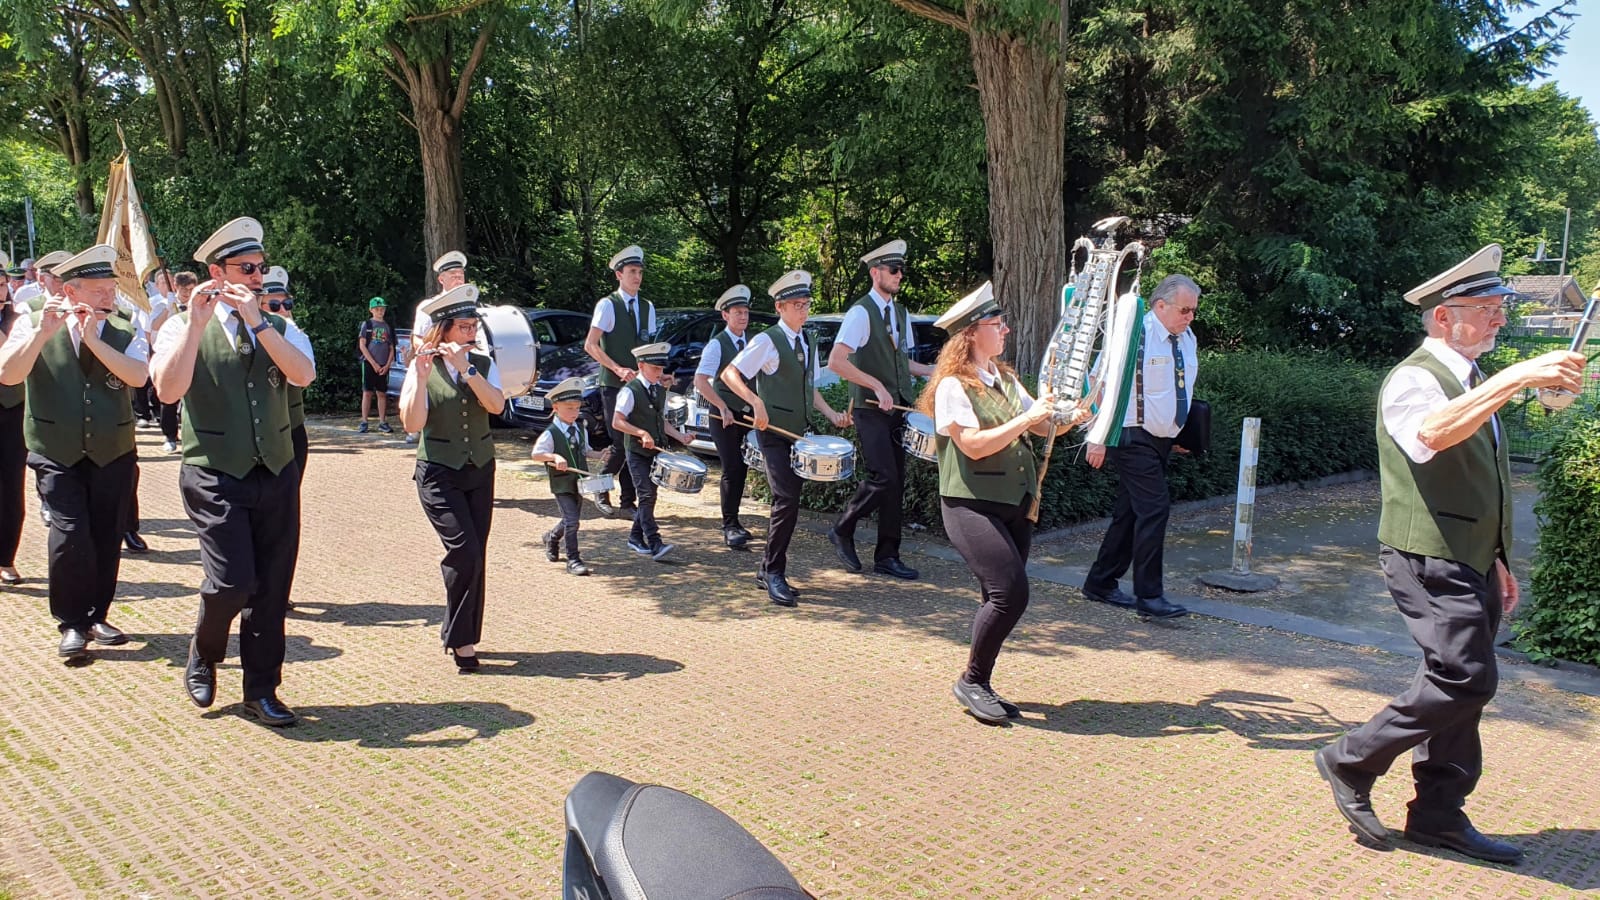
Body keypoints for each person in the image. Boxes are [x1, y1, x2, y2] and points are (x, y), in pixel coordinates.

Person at [1313, 245, 1585, 864]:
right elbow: (1431, 436)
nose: (1498, 320)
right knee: (1467, 678)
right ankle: (1350, 760)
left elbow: (1479, 472)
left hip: (1468, 556)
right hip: (1425, 555)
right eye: (1486, 309)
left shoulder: (1474, 379)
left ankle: (1438, 815)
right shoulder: (1414, 378)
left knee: (1458, 686)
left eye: (1500, 309)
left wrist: (1496, 559)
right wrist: (1522, 376)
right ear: (1443, 317)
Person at [152, 217, 316, 726]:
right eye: (246, 268)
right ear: (216, 272)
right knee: (230, 582)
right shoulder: (181, 327)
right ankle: (204, 652)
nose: (256, 277)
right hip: (214, 472)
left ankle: (261, 690)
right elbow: (167, 391)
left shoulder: (279, 325)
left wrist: (261, 322)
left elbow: (303, 374)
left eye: (260, 268)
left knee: (271, 587)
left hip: (276, 470)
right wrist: (197, 323)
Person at [918, 282, 1087, 723]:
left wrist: (1076, 412)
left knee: (996, 596)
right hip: (969, 503)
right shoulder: (954, 386)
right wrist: (1028, 417)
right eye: (997, 324)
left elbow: (1041, 428)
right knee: (1010, 593)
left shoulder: (1005, 378)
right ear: (972, 334)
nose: (1006, 330)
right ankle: (972, 681)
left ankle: (981, 682)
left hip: (1014, 501)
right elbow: (972, 446)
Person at [0, 245, 149, 662]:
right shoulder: (31, 322)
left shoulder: (123, 325)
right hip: (55, 450)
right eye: (100, 290)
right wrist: (44, 333)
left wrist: (93, 340)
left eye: (110, 288)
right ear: (70, 290)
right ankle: (71, 622)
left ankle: (97, 614)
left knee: (105, 535)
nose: (108, 297)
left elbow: (138, 375)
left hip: (113, 449)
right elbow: (8, 374)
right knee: (69, 535)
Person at [723, 270, 851, 606]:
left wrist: (831, 414)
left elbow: (809, 388)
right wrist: (755, 401)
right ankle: (774, 571)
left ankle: (768, 570)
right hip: (774, 434)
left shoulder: (808, 340)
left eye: (807, 304)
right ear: (780, 307)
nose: (804, 310)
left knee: (791, 504)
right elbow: (730, 373)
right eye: (797, 305)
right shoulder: (767, 340)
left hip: (800, 435)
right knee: (785, 500)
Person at [1080, 274, 1202, 620]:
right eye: (1184, 310)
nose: (1190, 316)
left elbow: (1180, 388)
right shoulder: (1134, 334)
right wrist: (1098, 435)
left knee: (1131, 512)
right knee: (1155, 508)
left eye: (1193, 311)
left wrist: (1179, 433)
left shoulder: (1187, 338)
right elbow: (1097, 381)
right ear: (1160, 305)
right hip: (1131, 435)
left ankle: (1101, 581)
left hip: (1161, 439)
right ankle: (1149, 596)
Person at [398, 284, 501, 674]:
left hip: (481, 467)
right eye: (463, 326)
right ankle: (459, 639)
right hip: (439, 471)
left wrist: (467, 368)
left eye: (474, 325)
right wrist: (422, 379)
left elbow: (495, 405)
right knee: (465, 551)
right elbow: (412, 423)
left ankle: (464, 636)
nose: (471, 332)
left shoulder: (482, 364)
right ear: (443, 329)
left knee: (478, 555)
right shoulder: (420, 365)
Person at [828, 239, 932, 581]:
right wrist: (874, 385)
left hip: (898, 409)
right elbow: (837, 362)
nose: (900, 275)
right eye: (893, 270)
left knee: (896, 483)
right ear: (875, 273)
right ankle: (842, 528)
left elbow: (903, 362)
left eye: (901, 269)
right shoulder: (860, 312)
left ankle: (888, 555)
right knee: (883, 477)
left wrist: (936, 371)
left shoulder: (901, 313)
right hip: (871, 408)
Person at [583, 245, 655, 517]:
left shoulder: (648, 307)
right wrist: (617, 368)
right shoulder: (608, 304)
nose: (637, 277)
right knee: (621, 439)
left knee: (631, 443)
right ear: (619, 275)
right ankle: (600, 487)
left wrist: (659, 375)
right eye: (632, 272)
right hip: (614, 384)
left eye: (639, 272)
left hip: (639, 387)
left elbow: (649, 349)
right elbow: (591, 345)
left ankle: (627, 501)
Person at [612, 341, 690, 560]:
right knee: (646, 494)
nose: (660, 372)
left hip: (655, 451)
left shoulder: (657, 389)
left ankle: (635, 538)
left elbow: (660, 421)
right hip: (636, 451)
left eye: (661, 368)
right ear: (641, 365)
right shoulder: (630, 391)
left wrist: (680, 436)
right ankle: (655, 543)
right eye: (655, 368)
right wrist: (640, 433)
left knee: (650, 496)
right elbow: (617, 421)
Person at [693, 284, 756, 549]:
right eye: (737, 312)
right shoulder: (717, 345)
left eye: (745, 312)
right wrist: (722, 407)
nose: (743, 317)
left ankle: (736, 521)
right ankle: (729, 525)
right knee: (731, 467)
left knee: (743, 468)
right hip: (724, 416)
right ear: (725, 316)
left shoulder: (752, 341)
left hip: (747, 415)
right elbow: (700, 381)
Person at [531, 376, 594, 576]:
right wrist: (554, 456)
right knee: (573, 521)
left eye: (577, 408)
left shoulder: (580, 428)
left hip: (579, 482)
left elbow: (585, 450)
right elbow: (536, 454)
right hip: (561, 483)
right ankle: (573, 559)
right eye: (569, 408)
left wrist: (600, 454)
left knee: (570, 519)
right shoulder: (551, 432)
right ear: (556, 407)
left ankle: (551, 537)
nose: (574, 412)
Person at [404, 251, 469, 444]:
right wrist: (429, 351)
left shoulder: (473, 306)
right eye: (453, 275)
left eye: (461, 274)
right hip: (436, 365)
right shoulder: (428, 306)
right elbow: (417, 338)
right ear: (441, 279)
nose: (458, 278)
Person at [260, 267, 313, 481]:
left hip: (292, 428)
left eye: (286, 304)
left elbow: (304, 376)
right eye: (274, 305)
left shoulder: (294, 333)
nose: (282, 310)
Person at [0, 275, 26, 585]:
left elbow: (10, 359)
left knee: (10, 487)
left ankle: (6, 557)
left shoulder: (18, 321)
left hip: (11, 410)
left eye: (2, 284)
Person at [358, 297, 396, 433]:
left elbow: (392, 347)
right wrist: (373, 363)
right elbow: (362, 345)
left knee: (382, 393)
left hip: (383, 364)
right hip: (369, 363)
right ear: (371, 310)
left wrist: (387, 365)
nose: (380, 311)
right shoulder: (367, 325)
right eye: (377, 309)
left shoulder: (388, 326)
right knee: (367, 392)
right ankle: (364, 421)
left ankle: (382, 421)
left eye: (382, 309)